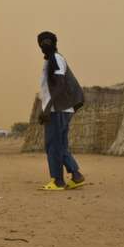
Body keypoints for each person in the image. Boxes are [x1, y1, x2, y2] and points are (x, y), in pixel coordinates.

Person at [37, 31, 85, 190]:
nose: (45, 44)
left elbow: (60, 84)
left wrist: (48, 108)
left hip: (58, 109)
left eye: (48, 41)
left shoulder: (56, 59)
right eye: (42, 42)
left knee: (53, 145)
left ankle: (58, 181)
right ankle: (76, 176)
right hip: (60, 109)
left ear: (54, 43)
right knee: (60, 145)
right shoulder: (51, 60)